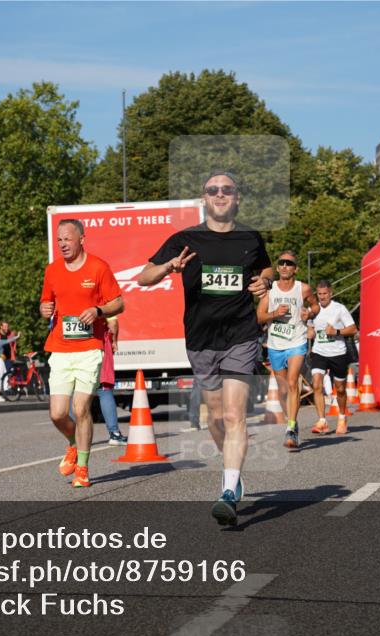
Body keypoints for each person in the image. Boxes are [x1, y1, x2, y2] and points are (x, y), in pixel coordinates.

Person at [137, 170, 274, 526]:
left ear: (237, 197)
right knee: (214, 416)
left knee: (233, 415)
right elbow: (143, 276)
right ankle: (233, 471)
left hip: (241, 335)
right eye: (213, 190)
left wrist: (265, 281)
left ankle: (228, 491)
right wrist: (169, 266)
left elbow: (267, 269)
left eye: (227, 189)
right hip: (201, 339)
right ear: (204, 199)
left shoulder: (250, 237)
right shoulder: (185, 239)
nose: (220, 194)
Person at [40, 218, 124, 489]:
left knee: (80, 408)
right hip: (60, 348)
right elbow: (46, 301)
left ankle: (84, 469)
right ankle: (74, 444)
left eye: (67, 238)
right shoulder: (52, 270)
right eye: (59, 240)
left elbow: (118, 302)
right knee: (57, 413)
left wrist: (98, 311)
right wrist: (44, 309)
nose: (63, 243)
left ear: (81, 239)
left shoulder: (98, 267)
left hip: (89, 348)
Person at [257, 250, 318, 449]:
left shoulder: (304, 289)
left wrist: (308, 313)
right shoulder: (270, 290)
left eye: (289, 263)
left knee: (293, 383)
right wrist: (274, 314)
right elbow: (259, 317)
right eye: (281, 262)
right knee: (283, 390)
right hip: (275, 344)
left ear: (295, 269)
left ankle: (290, 427)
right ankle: (292, 420)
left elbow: (315, 307)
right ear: (277, 268)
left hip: (296, 341)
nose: (284, 266)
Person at [306, 279, 357, 435]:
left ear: (331, 293)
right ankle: (322, 421)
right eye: (319, 294)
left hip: (338, 353)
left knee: (340, 389)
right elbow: (310, 328)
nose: (322, 297)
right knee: (316, 384)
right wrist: (310, 332)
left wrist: (337, 332)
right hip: (319, 351)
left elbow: (353, 329)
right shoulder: (313, 309)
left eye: (325, 294)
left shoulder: (339, 309)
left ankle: (342, 417)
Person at [97, 316, 127, 444]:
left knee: (75, 392)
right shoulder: (101, 298)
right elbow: (113, 323)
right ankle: (114, 433)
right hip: (97, 346)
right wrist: (114, 341)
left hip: (71, 348)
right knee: (104, 389)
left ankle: (74, 437)